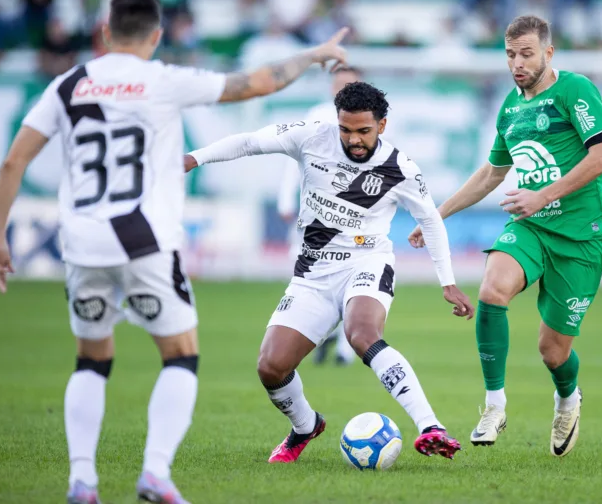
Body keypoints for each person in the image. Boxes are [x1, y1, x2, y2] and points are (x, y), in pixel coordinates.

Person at [0, 0, 349, 502]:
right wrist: (312, 54)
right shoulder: (164, 79)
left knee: (91, 360)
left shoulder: (67, 84)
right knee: (180, 354)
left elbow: (12, 162)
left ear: (104, 33)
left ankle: (82, 481)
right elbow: (257, 82)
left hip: (82, 242)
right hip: (144, 240)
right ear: (155, 36)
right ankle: (154, 473)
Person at [185, 81, 474, 464]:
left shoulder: (400, 168)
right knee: (271, 367)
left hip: (367, 263)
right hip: (313, 273)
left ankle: (430, 426)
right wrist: (194, 158)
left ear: (382, 125)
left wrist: (448, 282)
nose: (353, 140)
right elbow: (250, 142)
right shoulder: (311, 137)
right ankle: (306, 426)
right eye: (345, 129)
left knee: (362, 334)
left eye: (363, 131)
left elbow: (431, 221)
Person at [409, 15, 602, 457]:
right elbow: (492, 173)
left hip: (582, 234)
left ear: (548, 53)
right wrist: (436, 216)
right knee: (492, 290)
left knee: (552, 352)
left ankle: (568, 399)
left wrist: (543, 195)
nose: (517, 63)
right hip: (531, 225)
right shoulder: (510, 108)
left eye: (527, 54)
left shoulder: (575, 90)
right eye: (510, 55)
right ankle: (494, 405)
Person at [277, 66, 364, 367]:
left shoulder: (370, 120)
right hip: (313, 212)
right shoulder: (317, 115)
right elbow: (295, 158)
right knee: (307, 276)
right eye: (339, 83)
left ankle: (344, 348)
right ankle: (326, 332)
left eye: (349, 84)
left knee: (351, 276)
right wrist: (286, 198)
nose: (342, 89)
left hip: (352, 212)